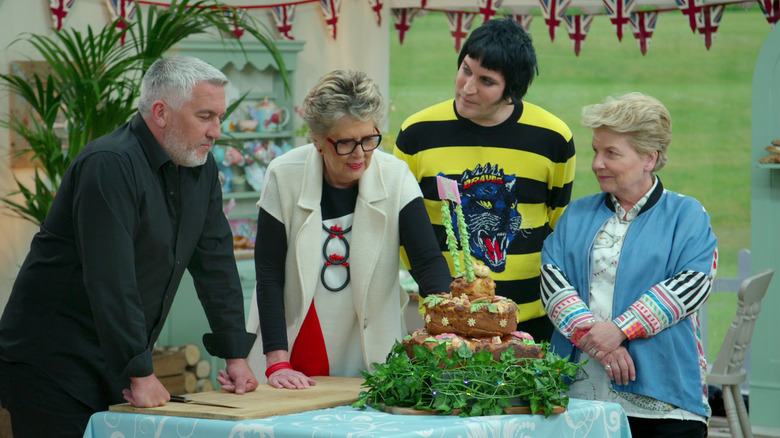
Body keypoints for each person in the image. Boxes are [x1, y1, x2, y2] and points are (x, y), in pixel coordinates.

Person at [0, 55, 258, 437]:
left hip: (113, 358)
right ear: (160, 112)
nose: (216, 131)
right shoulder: (109, 163)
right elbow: (111, 279)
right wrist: (141, 371)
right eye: (205, 116)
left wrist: (235, 353)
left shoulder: (200, 168)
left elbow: (215, 261)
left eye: (219, 117)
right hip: (51, 361)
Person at [246, 70, 452, 390]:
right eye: (345, 143)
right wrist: (277, 361)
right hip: (291, 346)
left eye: (369, 139)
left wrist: (449, 329)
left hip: (370, 347)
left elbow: (426, 262)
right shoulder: (283, 174)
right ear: (317, 140)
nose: (360, 154)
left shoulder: (396, 176)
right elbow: (269, 273)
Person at [540, 92, 718, 438]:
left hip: (665, 402)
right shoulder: (576, 214)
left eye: (611, 153)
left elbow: (691, 284)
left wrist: (620, 329)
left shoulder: (687, 215)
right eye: (595, 150)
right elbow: (552, 282)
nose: (597, 163)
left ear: (649, 158)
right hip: (577, 400)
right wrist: (597, 339)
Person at [393, 18, 575, 342]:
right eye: (466, 69)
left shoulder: (553, 139)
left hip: (528, 325)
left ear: (512, 91)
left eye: (486, 81)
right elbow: (402, 228)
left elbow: (559, 228)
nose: (468, 87)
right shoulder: (416, 134)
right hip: (445, 325)